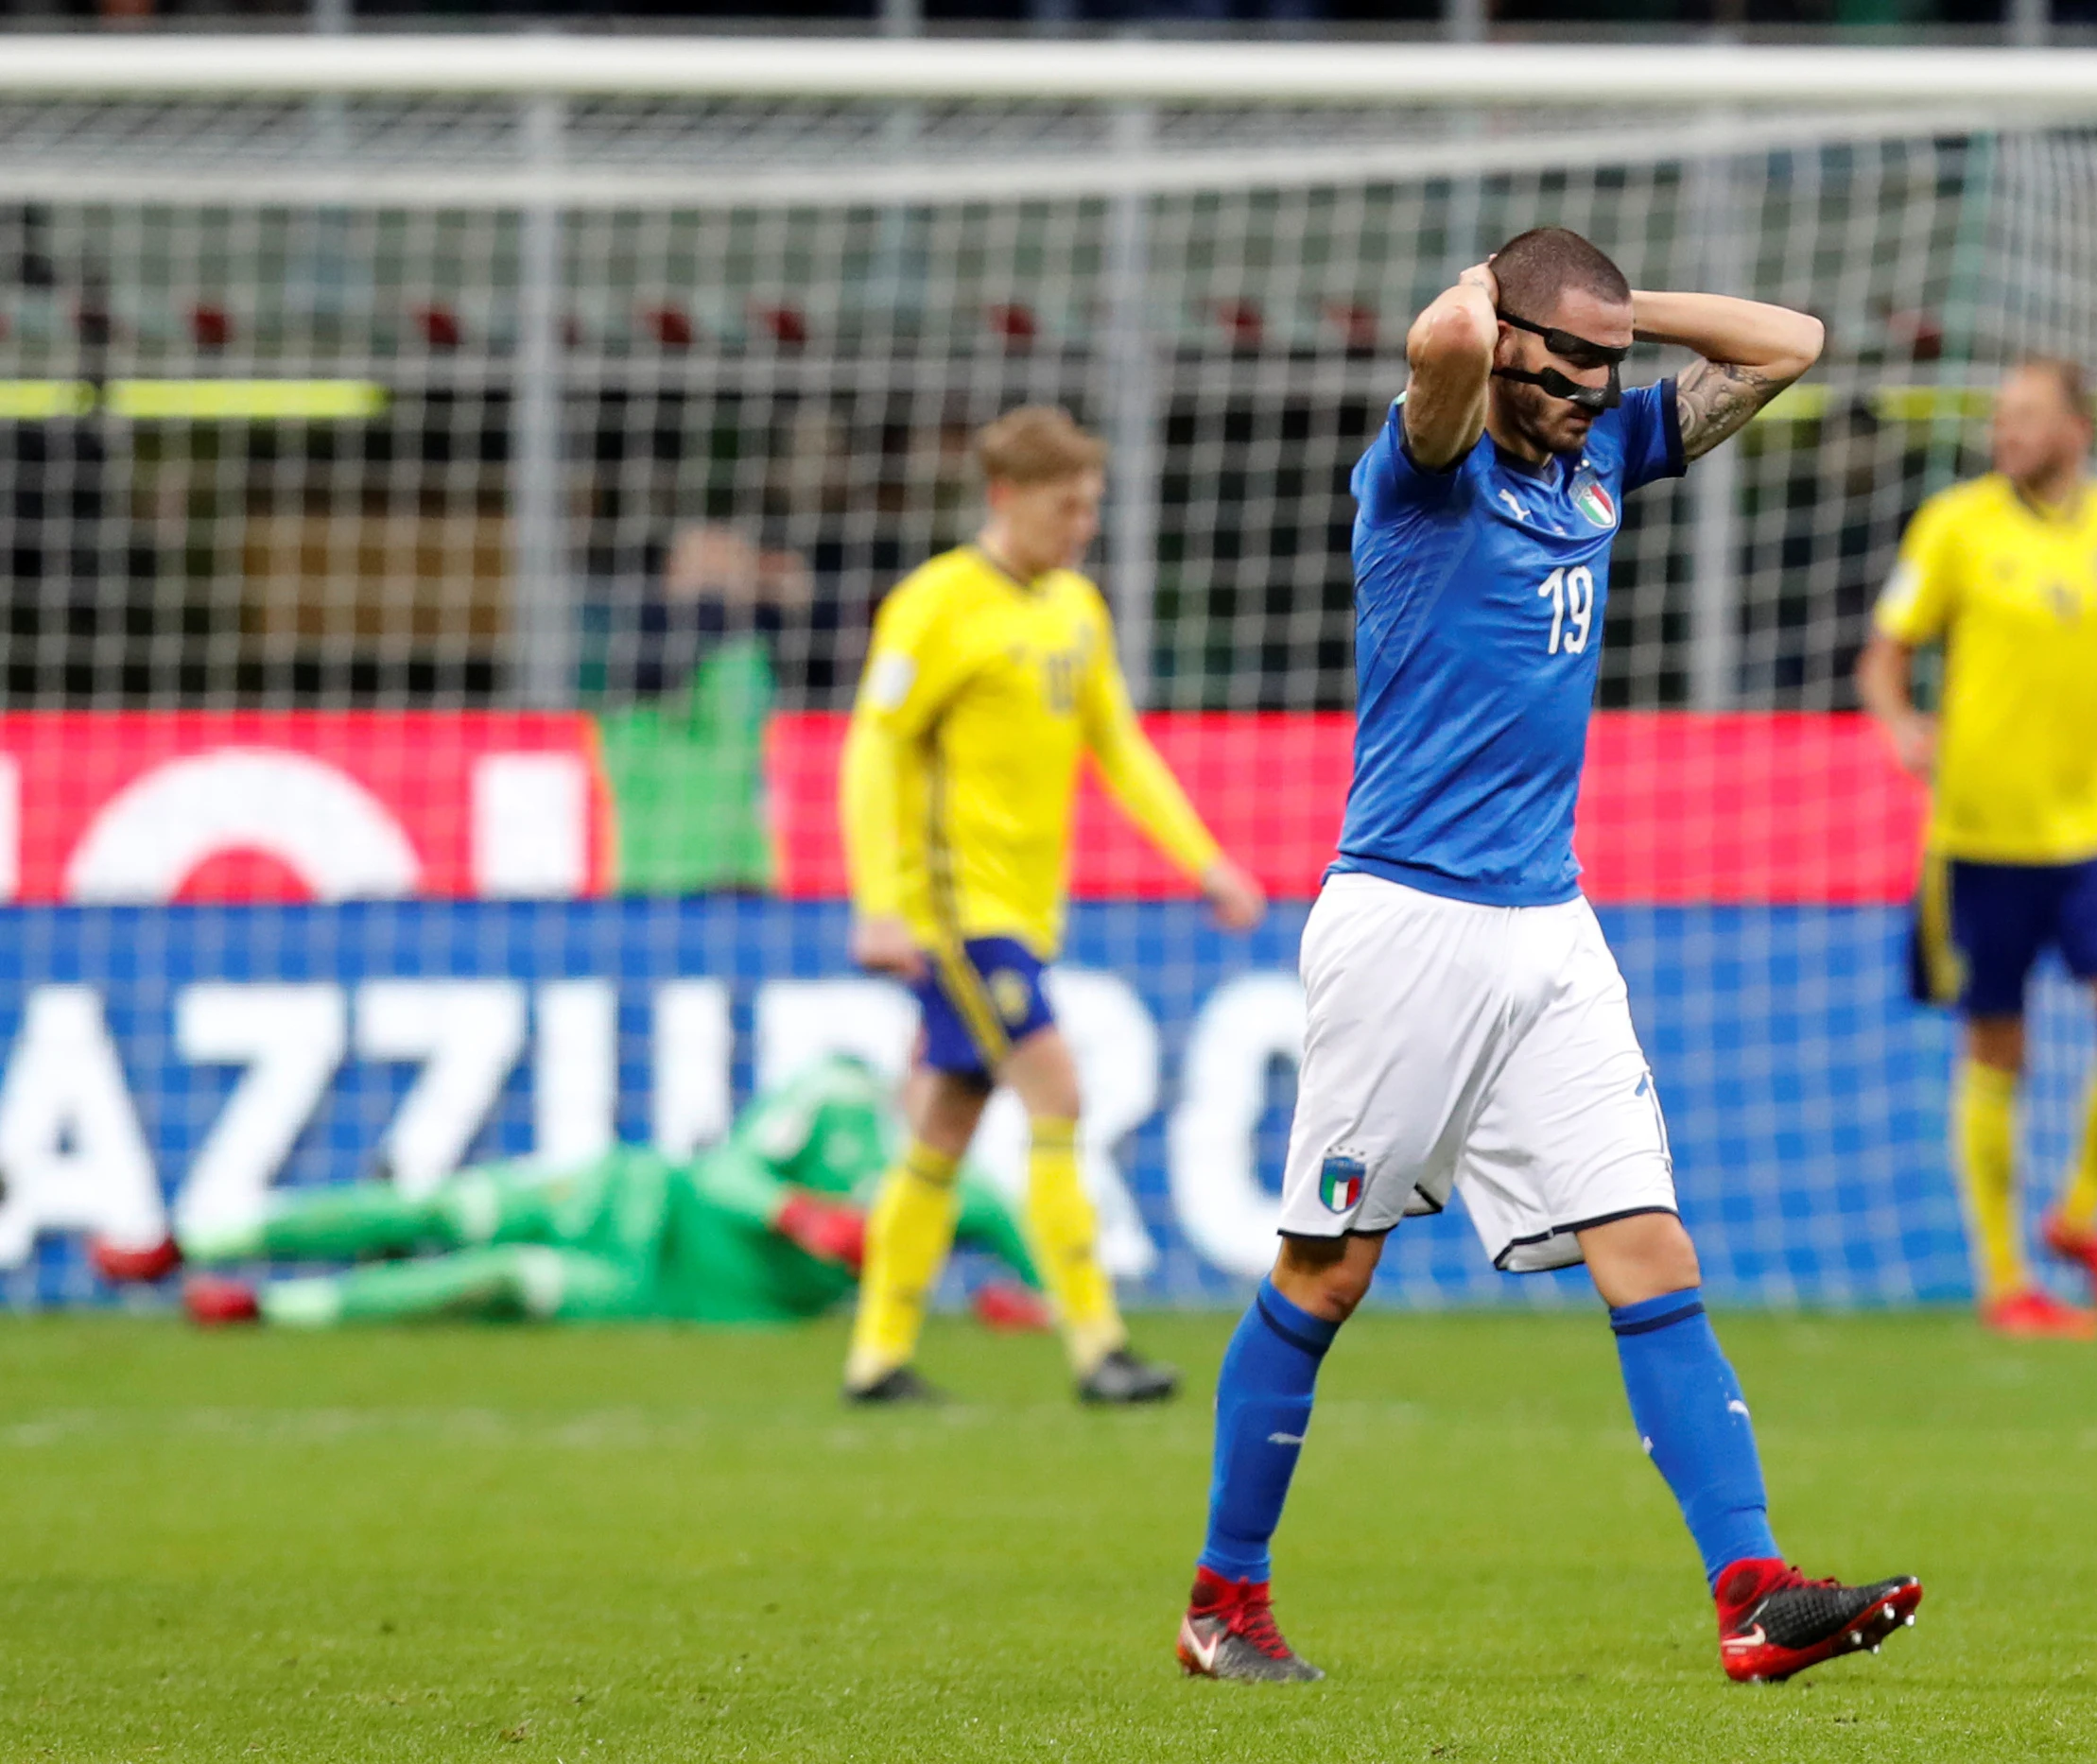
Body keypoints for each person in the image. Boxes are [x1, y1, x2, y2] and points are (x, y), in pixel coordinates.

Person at [1176, 227, 1916, 1687]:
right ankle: (1224, 1601)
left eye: (1609, 364)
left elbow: (1792, 342)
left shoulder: (1602, 455)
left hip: (1549, 927)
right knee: (1325, 1274)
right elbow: (1443, 351)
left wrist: (1611, 318)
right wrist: (1483, 301)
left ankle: (1751, 1590)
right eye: (1562, 359)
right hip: (1406, 924)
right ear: (1505, 335)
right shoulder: (1423, 475)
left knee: (1651, 1244)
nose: (1591, 385)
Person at [840, 405, 1267, 1408]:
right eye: (1065, 507)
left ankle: (876, 1356)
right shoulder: (937, 604)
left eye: (1090, 508)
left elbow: (1117, 746)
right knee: (1057, 1092)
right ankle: (1096, 1345)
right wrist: (877, 904)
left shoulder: (1075, 607)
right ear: (1006, 498)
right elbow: (874, 746)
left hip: (1027, 915)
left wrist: (1203, 862)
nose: (1081, 526)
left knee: (946, 1122)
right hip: (955, 913)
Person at [1854, 357, 2097, 1340]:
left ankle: (2078, 1216)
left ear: (2075, 428)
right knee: (1997, 1045)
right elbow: (1882, 657)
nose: (2006, 431)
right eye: (1999, 417)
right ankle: (2005, 1283)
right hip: (1976, 839)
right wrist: (1899, 724)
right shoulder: (1953, 525)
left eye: (2026, 416)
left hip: (2087, 832)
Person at [88, 1060, 1061, 1332]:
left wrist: (1030, 1307)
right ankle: (182, 1240)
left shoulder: (962, 1194)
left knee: (499, 1280)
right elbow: (724, 1168)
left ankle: (265, 1308)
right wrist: (797, 1215)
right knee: (441, 1210)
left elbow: (1042, 1263)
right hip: (625, 1199)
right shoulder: (835, 1093)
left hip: (666, 1296)